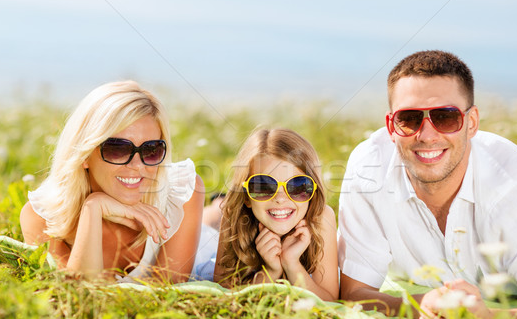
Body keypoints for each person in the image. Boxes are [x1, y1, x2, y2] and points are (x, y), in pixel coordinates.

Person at [338, 50, 517, 319]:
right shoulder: (368, 170)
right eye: (409, 119)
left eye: (445, 117)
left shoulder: (516, 187)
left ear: (471, 122)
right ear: (391, 127)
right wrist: (421, 305)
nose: (427, 135)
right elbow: (355, 292)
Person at [20, 80, 213, 283]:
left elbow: (163, 293)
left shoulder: (182, 195)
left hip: (206, 248)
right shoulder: (42, 218)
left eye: (151, 150)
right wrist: (93, 207)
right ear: (84, 155)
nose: (138, 166)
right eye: (118, 149)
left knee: (216, 216)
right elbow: (76, 296)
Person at [213, 128, 339, 301]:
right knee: (212, 215)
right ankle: (214, 204)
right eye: (263, 186)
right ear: (246, 196)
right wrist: (270, 272)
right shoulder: (233, 213)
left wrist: (292, 264)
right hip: (229, 215)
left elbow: (329, 301)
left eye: (297, 186)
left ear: (313, 191)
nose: (280, 199)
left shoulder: (321, 218)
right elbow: (223, 295)